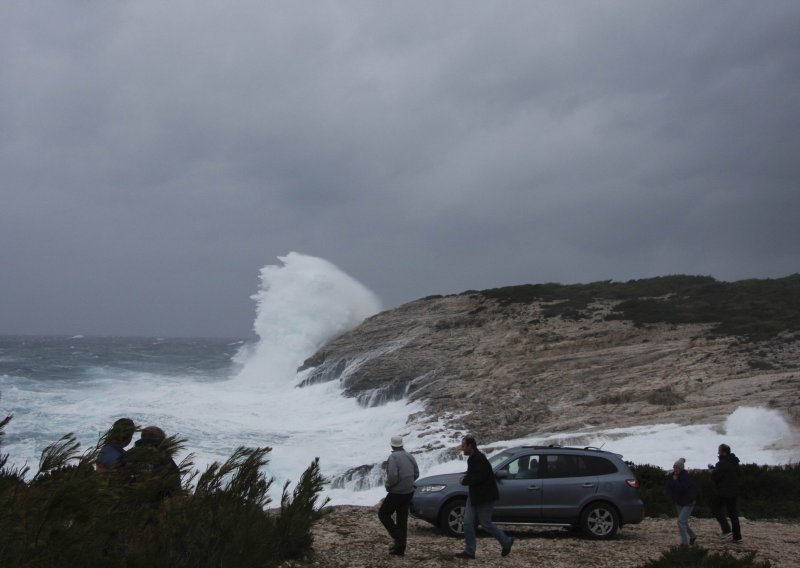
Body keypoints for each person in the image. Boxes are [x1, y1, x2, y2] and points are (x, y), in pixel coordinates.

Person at [455, 436, 513, 559]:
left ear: (470, 446)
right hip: (475, 495)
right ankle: (470, 551)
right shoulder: (473, 458)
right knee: (467, 523)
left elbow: (478, 478)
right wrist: (466, 477)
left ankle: (506, 541)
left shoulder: (479, 458)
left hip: (485, 497)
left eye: (464, 446)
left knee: (485, 523)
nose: (462, 449)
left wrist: (464, 480)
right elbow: (474, 475)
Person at [378, 435, 420, 556]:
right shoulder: (409, 455)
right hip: (409, 491)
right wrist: (409, 482)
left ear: (392, 445)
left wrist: (388, 486)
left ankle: (399, 538)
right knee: (402, 519)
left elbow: (392, 476)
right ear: (402, 444)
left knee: (383, 514)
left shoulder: (393, 457)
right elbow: (416, 473)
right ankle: (400, 549)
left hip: (397, 492)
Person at [119, 425, 181, 501]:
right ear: (161, 441)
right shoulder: (165, 459)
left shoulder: (126, 455)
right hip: (153, 508)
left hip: (124, 504)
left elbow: (113, 477)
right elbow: (175, 490)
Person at [710, 443, 742, 544]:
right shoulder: (735, 462)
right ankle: (737, 537)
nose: (718, 453)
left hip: (723, 491)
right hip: (734, 491)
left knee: (715, 508)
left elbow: (716, 478)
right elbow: (739, 475)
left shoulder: (722, 464)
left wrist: (712, 472)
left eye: (719, 451)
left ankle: (726, 529)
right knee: (733, 514)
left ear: (723, 452)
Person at [666, 457, 697, 546]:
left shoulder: (686, 477)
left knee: (680, 521)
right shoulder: (672, 476)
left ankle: (684, 543)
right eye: (674, 467)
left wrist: (674, 482)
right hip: (679, 502)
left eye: (677, 468)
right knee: (683, 522)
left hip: (688, 502)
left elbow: (681, 488)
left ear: (681, 468)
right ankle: (692, 536)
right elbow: (669, 486)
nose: (675, 469)